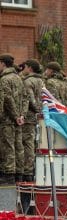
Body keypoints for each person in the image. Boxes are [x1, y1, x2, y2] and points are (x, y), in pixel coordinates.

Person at [0, 54, 27, 184]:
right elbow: (25, 98)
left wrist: (15, 116)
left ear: (3, 64)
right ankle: (19, 173)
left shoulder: (4, 79)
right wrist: (22, 115)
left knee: (8, 146)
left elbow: (7, 99)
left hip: (8, 119)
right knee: (18, 146)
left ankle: (9, 174)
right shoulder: (19, 78)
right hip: (18, 119)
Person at [22, 59, 44, 181]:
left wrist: (36, 110)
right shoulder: (41, 80)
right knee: (37, 143)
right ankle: (35, 168)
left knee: (28, 144)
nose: (23, 69)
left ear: (30, 68)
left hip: (30, 116)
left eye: (25, 67)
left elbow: (30, 99)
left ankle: (28, 171)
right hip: (39, 117)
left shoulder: (28, 81)